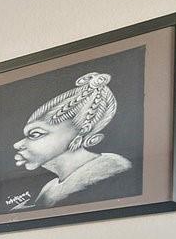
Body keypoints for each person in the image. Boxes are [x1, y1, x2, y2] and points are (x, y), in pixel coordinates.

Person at [7, 71, 132, 210]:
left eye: (35, 134)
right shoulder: (49, 189)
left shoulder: (109, 176)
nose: (17, 144)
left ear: (80, 135)